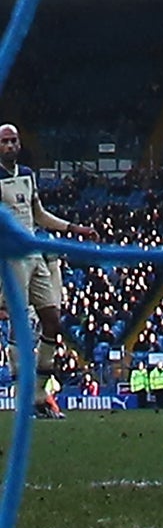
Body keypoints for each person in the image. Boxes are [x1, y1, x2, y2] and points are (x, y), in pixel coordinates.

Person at [0, 125, 97, 418]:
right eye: (4, 142)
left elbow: (38, 214)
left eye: (13, 140)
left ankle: (41, 395)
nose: (9, 145)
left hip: (35, 253)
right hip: (12, 257)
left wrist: (72, 228)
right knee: (20, 322)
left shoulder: (28, 174)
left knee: (52, 321)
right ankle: (23, 398)